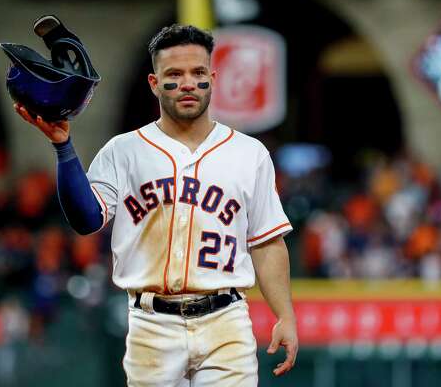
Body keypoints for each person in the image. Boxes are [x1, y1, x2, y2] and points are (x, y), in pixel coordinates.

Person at [15, 23, 298, 386]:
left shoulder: (249, 154)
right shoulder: (123, 150)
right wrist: (63, 148)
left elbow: (267, 242)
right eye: (174, 74)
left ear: (212, 77)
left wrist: (284, 315)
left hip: (226, 320)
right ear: (153, 82)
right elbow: (86, 220)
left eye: (197, 73)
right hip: (152, 323)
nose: (187, 84)